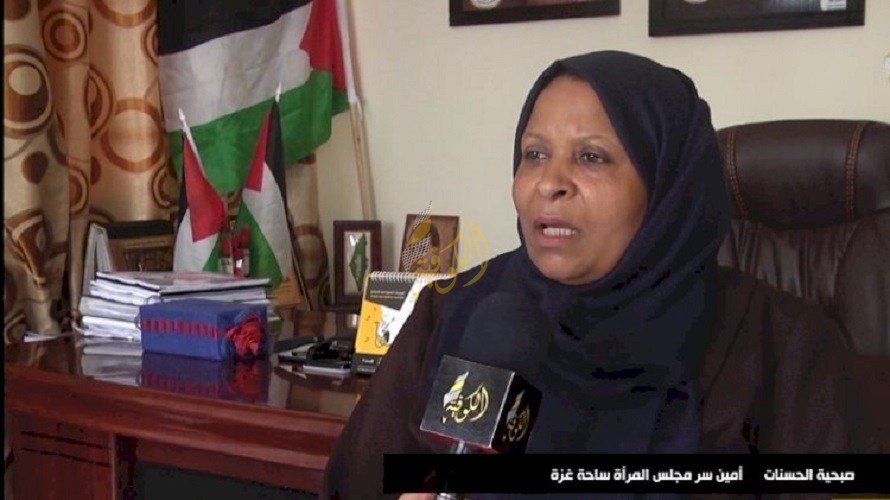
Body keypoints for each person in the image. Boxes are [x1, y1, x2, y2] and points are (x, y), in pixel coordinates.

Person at [321, 50, 849, 499]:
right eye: (534, 154)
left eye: (592, 157)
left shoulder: (783, 346)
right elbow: (357, 486)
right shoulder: (457, 312)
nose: (549, 183)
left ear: (668, 187)